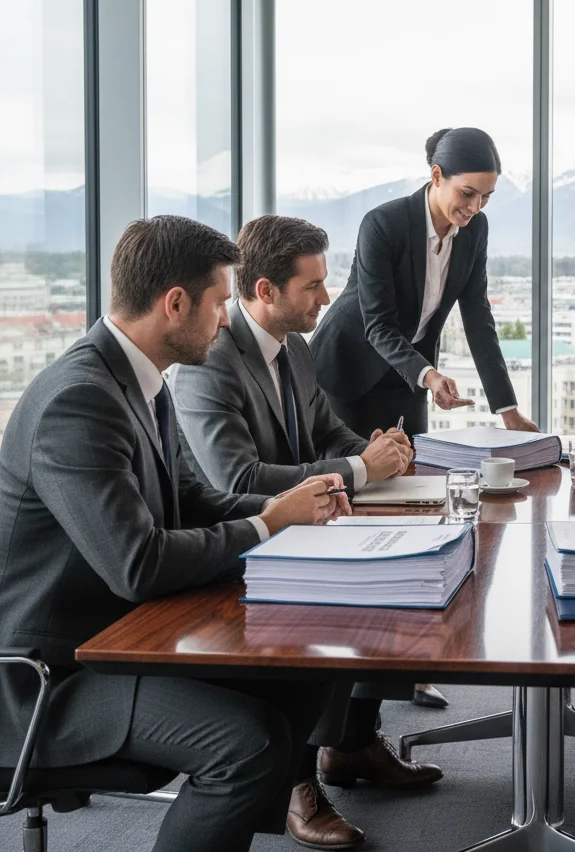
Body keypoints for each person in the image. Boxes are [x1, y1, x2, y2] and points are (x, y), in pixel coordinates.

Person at [0, 216, 362, 852]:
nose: (227, 320)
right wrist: (268, 522)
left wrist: (296, 510)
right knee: (246, 744)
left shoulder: (139, 383)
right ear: (175, 305)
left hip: (120, 636)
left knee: (308, 662)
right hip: (51, 678)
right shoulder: (78, 400)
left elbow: (192, 499)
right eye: (221, 302)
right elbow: (137, 563)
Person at [169, 214, 444, 800]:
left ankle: (350, 745)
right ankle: (295, 782)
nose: (328, 297)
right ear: (265, 291)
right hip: (242, 540)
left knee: (396, 573)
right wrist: (360, 470)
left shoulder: (294, 347)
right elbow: (236, 478)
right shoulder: (212, 358)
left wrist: (375, 452)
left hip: (306, 525)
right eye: (313, 286)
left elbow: (328, 430)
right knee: (357, 589)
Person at [311, 127, 538, 438]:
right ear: (436, 175)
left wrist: (508, 411)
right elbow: (378, 325)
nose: (475, 207)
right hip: (349, 369)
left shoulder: (474, 230)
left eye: (486, 197)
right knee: (361, 477)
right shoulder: (383, 224)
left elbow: (479, 319)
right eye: (467, 193)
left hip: (410, 373)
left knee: (417, 470)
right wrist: (429, 376)